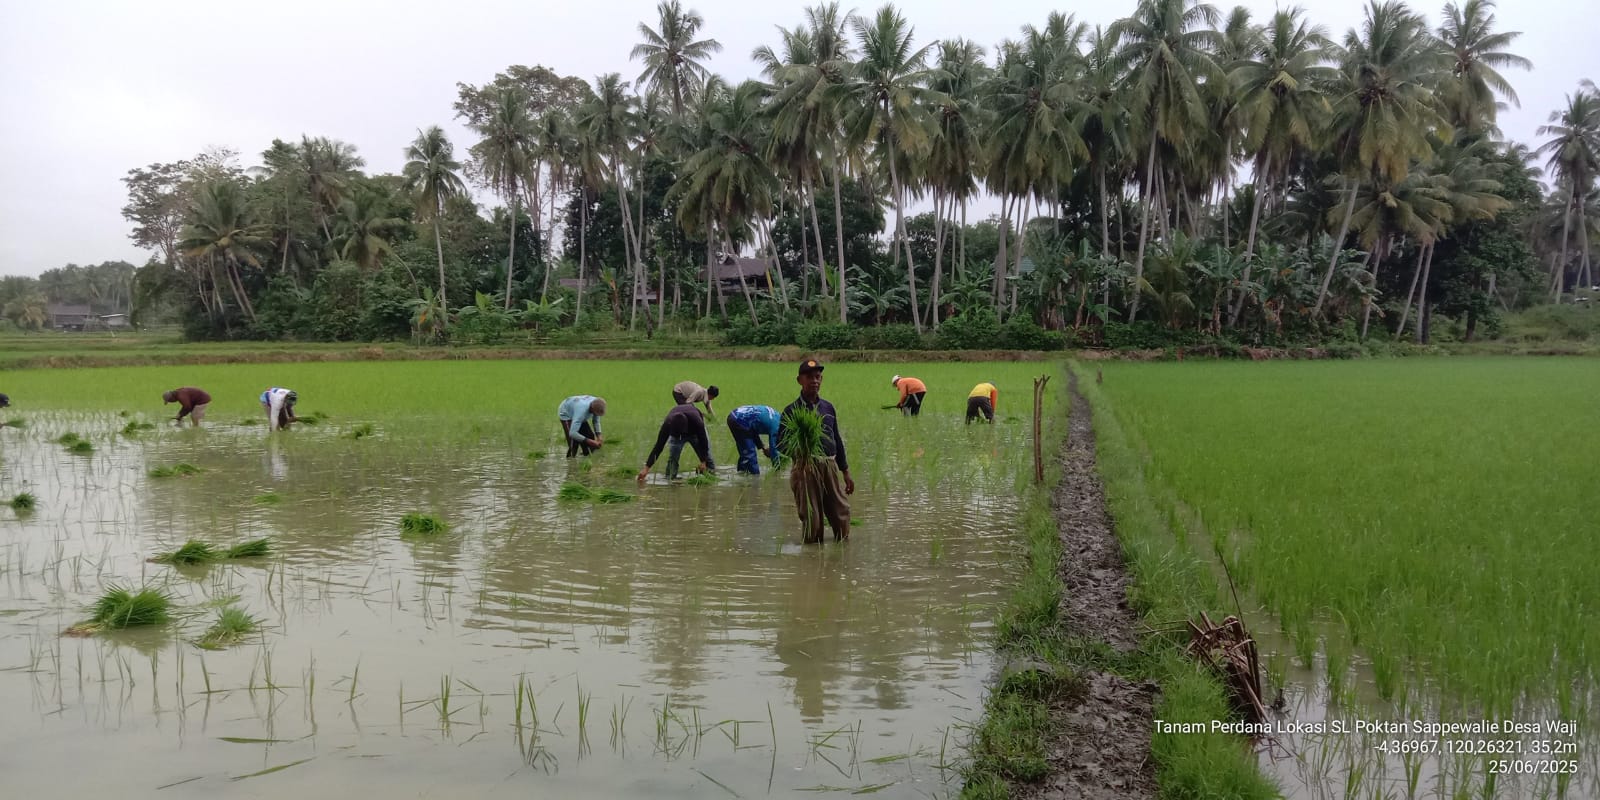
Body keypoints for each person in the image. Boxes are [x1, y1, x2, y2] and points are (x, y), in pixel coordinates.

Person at [778, 358, 855, 543]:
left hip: (829, 463)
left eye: (818, 377)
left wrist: (845, 471)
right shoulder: (792, 410)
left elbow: (836, 439)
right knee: (811, 515)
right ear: (800, 380)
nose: (814, 381)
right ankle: (812, 557)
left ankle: (842, 549)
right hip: (805, 467)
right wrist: (799, 453)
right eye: (809, 377)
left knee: (840, 510)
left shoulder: (828, 407)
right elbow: (780, 443)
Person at [637, 401, 713, 482]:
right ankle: (670, 479)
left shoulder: (697, 422)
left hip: (694, 432)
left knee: (708, 460)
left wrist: (703, 461)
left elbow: (704, 441)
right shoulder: (668, 423)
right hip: (676, 433)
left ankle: (711, 475)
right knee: (673, 458)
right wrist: (646, 468)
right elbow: (659, 446)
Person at [727, 404, 781, 474]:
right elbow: (773, 449)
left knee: (745, 452)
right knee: (750, 455)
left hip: (734, 415)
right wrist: (777, 469)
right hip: (739, 420)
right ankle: (755, 479)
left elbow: (753, 428)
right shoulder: (777, 427)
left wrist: (763, 447)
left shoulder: (776, 416)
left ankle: (741, 475)